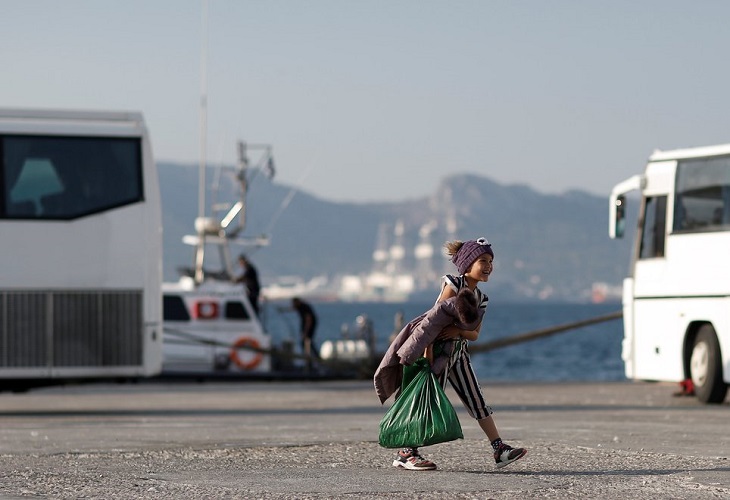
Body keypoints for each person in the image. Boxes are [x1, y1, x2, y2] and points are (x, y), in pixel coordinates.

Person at [374, 237, 527, 471]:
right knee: (423, 400)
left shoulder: (481, 299)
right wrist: (427, 353)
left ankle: (499, 450)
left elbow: (474, 334)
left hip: (459, 353)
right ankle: (406, 453)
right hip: (435, 352)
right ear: (467, 264)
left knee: (477, 400)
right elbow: (433, 321)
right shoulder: (453, 284)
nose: (488, 266)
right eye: (482, 261)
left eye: (490, 261)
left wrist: (458, 330)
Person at [291, 297, 319, 361]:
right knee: (307, 343)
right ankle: (310, 359)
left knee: (307, 342)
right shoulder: (300, 307)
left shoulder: (303, 308)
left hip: (309, 327)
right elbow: (292, 309)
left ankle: (311, 360)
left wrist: (305, 332)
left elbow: (308, 320)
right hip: (308, 327)